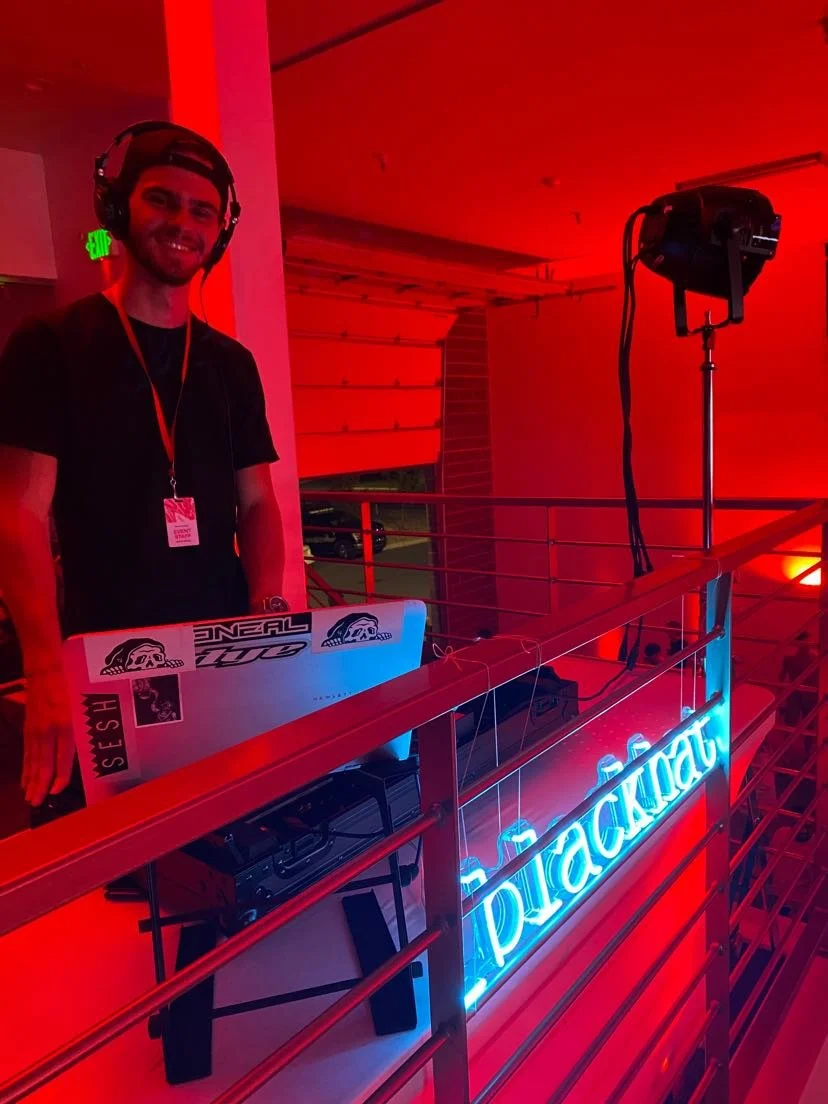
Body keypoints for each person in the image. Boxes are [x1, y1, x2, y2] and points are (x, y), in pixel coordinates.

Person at [0, 122, 287, 810]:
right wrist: (43, 673)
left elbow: (258, 503)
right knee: (111, 854)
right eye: (162, 200)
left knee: (222, 836)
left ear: (220, 231)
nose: (182, 223)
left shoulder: (231, 365)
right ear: (119, 208)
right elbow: (18, 514)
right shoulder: (50, 344)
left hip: (220, 656)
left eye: (202, 211)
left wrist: (266, 616)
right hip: (105, 657)